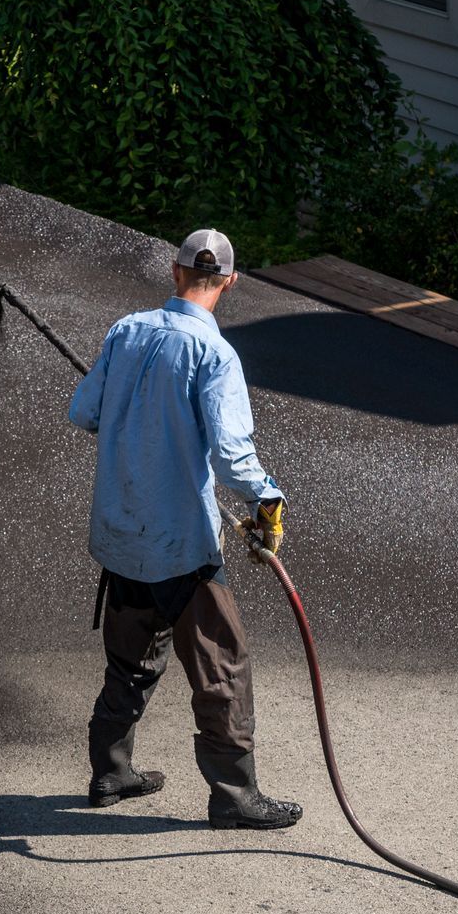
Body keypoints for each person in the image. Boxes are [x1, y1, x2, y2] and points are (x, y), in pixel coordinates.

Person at [68, 228, 301, 831]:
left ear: (174, 273)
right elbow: (229, 452)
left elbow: (84, 412)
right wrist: (266, 498)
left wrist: (130, 414)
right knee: (223, 668)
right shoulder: (215, 355)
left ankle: (111, 769)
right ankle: (234, 797)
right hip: (182, 549)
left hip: (120, 537)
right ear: (229, 282)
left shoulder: (125, 331)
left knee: (129, 659)